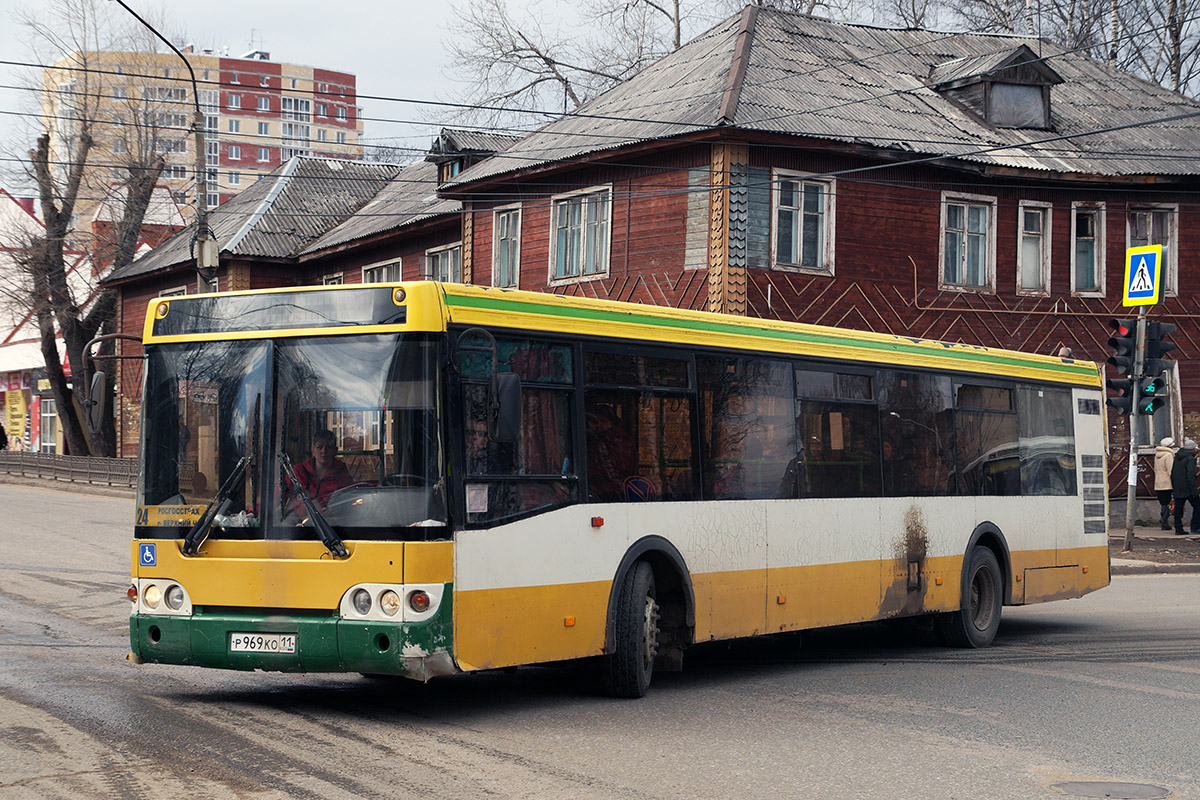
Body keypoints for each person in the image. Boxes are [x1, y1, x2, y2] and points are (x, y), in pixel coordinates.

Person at [289, 429, 353, 512]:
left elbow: (348, 506)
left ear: (335, 451)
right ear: (313, 450)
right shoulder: (298, 472)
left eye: (329, 447)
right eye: (319, 447)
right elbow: (281, 499)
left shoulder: (343, 476)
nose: (324, 451)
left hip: (333, 523)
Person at [1170, 438, 1200, 536]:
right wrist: (1194, 490)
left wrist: (1174, 486)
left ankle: (1178, 528)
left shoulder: (1177, 457)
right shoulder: (1190, 459)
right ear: (1192, 449)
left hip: (1178, 487)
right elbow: (1190, 475)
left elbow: (1172, 473)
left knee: (1178, 509)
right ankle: (1195, 526)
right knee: (1198, 506)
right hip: (1188, 488)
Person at [1154, 437, 1176, 530]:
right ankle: (1164, 519)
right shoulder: (1168, 455)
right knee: (1169, 503)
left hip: (1158, 482)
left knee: (1163, 503)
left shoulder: (1157, 455)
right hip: (1167, 483)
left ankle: (1164, 521)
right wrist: (1175, 482)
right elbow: (1171, 470)